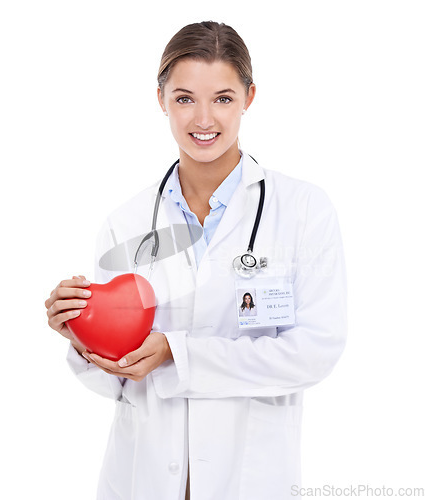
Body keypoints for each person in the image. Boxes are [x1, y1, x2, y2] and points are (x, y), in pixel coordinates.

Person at [45, 21, 347, 500]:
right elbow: (118, 384)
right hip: (139, 478)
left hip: (250, 478)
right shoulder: (126, 224)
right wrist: (82, 334)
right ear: (161, 99)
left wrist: (177, 353)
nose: (203, 119)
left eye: (223, 98)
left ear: (249, 97)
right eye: (184, 98)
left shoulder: (303, 210)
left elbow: (314, 352)